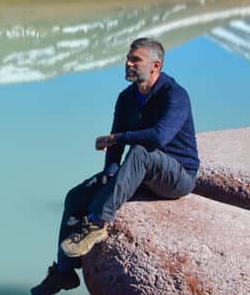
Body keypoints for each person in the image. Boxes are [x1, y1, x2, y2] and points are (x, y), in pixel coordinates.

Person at [30, 37, 200, 295]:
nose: (128, 63)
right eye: (128, 58)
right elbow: (115, 149)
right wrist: (110, 174)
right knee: (76, 197)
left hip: (177, 176)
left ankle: (98, 223)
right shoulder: (126, 98)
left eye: (135, 60)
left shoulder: (174, 95)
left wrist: (117, 139)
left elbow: (158, 137)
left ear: (156, 65)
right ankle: (64, 272)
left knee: (141, 151)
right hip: (138, 173)